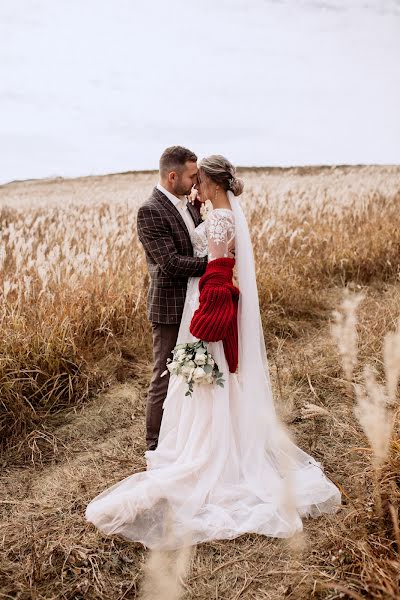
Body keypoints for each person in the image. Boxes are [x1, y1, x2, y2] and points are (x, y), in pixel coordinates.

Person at [85, 154, 341, 549]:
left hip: (205, 303)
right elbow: (181, 261)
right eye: (192, 179)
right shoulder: (193, 211)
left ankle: (204, 451)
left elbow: (218, 268)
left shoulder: (219, 217)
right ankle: (185, 443)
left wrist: (207, 316)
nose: (195, 186)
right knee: (195, 377)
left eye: (199, 180)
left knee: (203, 377)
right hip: (191, 300)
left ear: (213, 184)